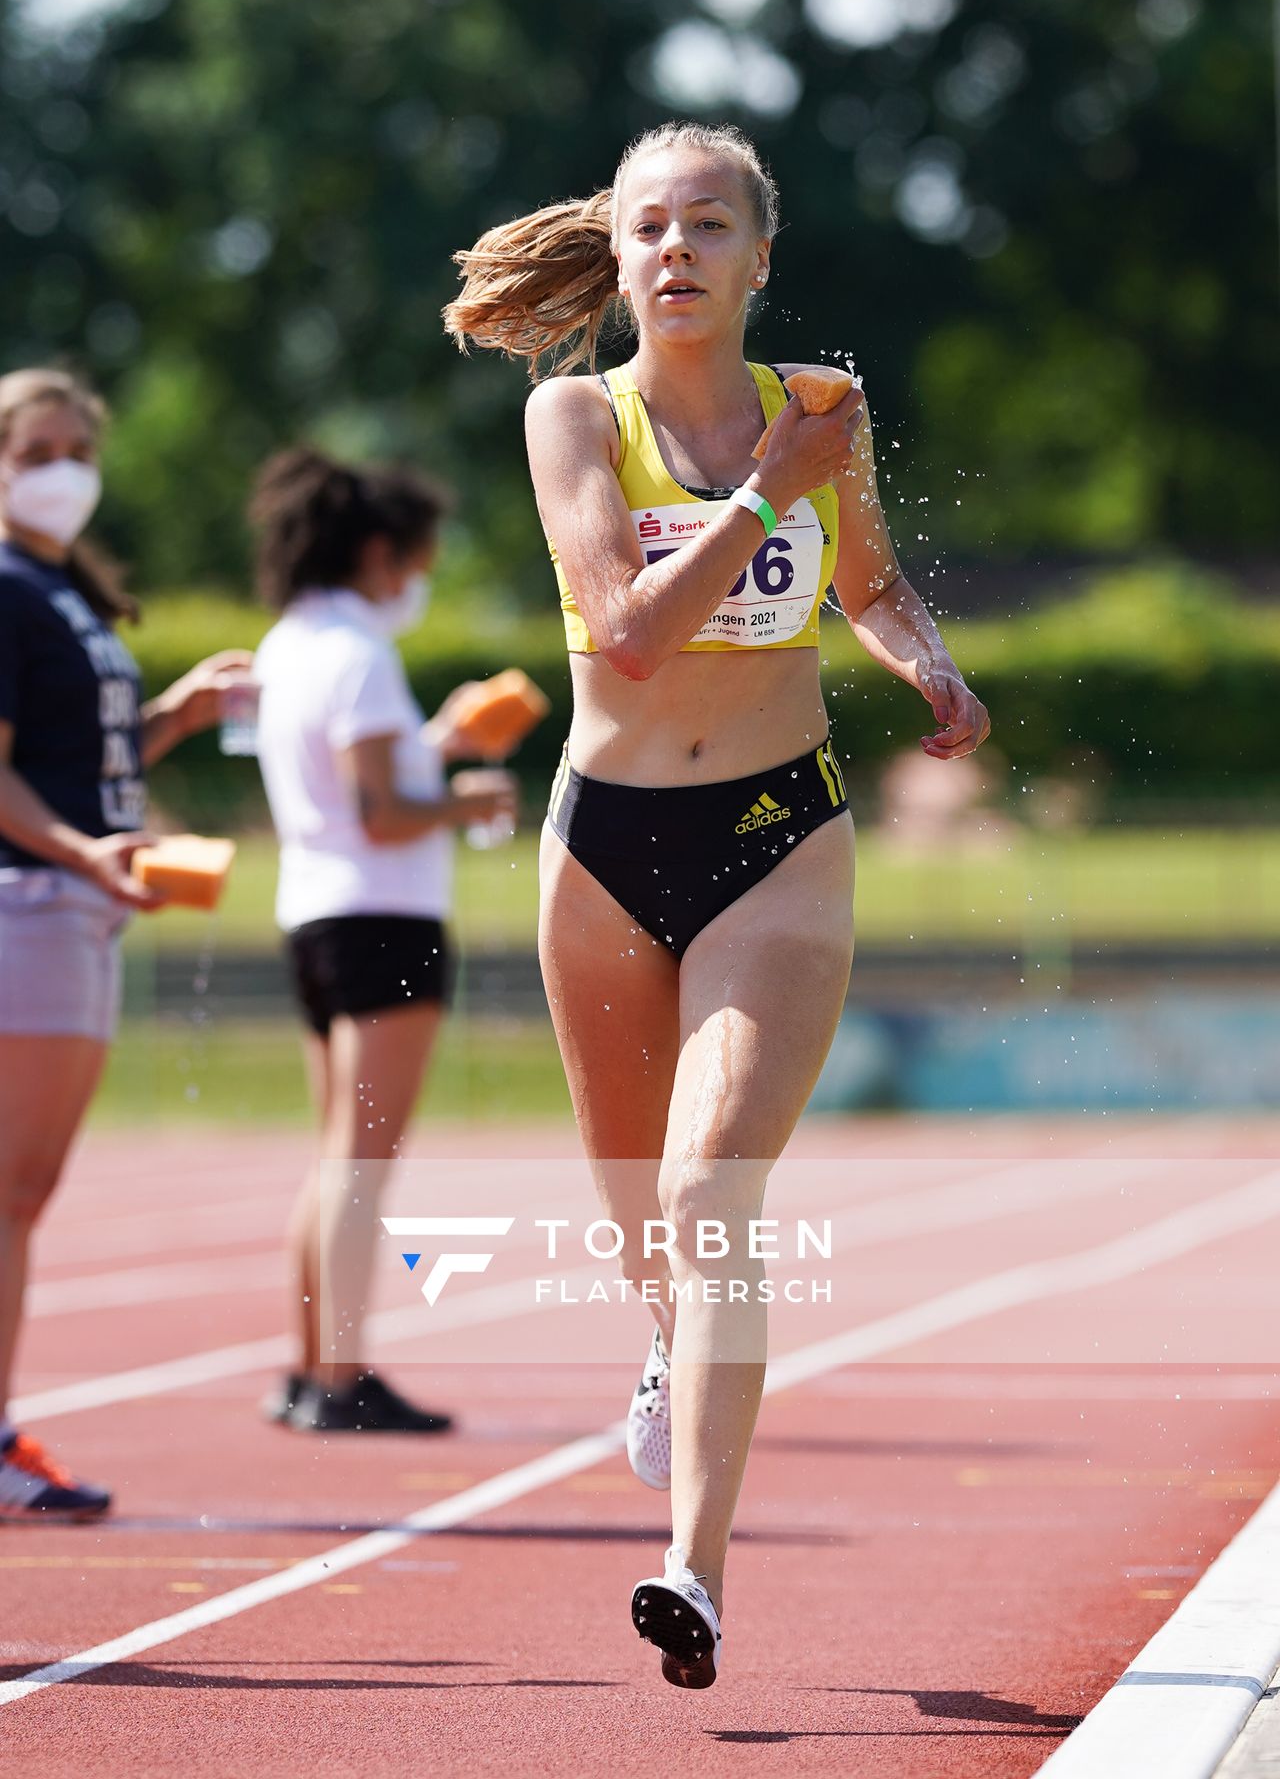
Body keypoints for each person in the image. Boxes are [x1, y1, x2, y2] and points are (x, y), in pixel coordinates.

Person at [445, 121, 990, 1687]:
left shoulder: (823, 416)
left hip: (777, 834)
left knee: (705, 1198)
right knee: (645, 1234)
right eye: (647, 230)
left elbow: (868, 581)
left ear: (762, 256)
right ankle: (667, 1355)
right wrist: (762, 494)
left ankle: (694, 1568)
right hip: (604, 843)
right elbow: (620, 631)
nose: (674, 251)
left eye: (706, 227)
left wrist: (928, 665)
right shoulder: (573, 416)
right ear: (614, 261)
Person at [0, 365, 251, 1520]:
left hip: (77, 901)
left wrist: (178, 716)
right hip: (31, 901)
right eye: (35, 451)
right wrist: (80, 853)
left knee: (26, 1188)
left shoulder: (64, 588)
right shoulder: (6, 585)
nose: (62, 474)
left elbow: (78, 765)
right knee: (11, 1190)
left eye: (76, 453)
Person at [250, 447, 516, 1434]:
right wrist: (463, 799)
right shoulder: (359, 651)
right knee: (361, 1160)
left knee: (334, 1156)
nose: (417, 579)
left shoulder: (290, 642)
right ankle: (342, 1376)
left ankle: (309, 1365)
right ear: (375, 551)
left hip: (314, 912)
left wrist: (434, 746)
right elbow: (380, 812)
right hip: (381, 914)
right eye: (413, 561)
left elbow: (351, 784)